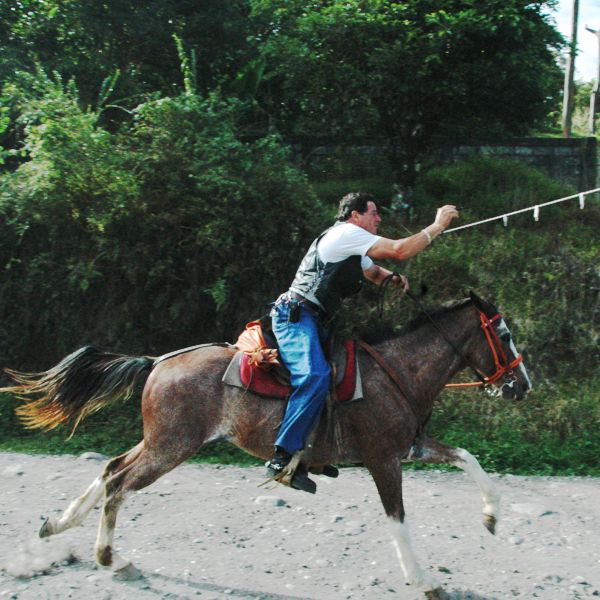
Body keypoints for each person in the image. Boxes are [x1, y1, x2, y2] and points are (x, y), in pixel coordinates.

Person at [267, 192, 459, 493]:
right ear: (355, 216)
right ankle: (281, 458)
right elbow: (398, 249)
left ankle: (314, 453)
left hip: (315, 320)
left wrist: (391, 279)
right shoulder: (346, 233)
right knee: (315, 377)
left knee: (336, 380)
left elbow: (371, 271)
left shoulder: (353, 243)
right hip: (296, 316)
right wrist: (437, 226)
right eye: (374, 213)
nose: (378, 218)